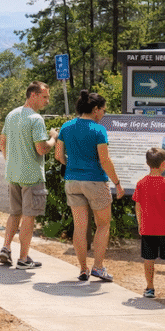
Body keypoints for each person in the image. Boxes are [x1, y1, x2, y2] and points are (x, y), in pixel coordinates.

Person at [54, 90, 123, 281]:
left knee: (80, 227)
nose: (103, 114)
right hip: (95, 181)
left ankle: (83, 269)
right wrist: (117, 183)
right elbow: (105, 160)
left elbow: (58, 156)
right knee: (103, 225)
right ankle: (98, 267)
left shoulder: (66, 127)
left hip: (72, 181)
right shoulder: (98, 130)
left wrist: (74, 167)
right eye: (103, 110)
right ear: (95, 110)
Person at [0, 81, 58, 269]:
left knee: (14, 213)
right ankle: (24, 259)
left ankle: (6, 248)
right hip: (31, 175)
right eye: (44, 97)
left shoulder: (11, 115)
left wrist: (10, 162)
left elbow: (2, 142)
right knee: (29, 217)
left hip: (13, 173)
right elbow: (41, 149)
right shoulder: (36, 119)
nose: (47, 101)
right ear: (33, 95)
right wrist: (53, 138)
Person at [133, 147, 165, 298]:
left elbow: (138, 206)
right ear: (164, 164)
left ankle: (149, 288)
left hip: (148, 228)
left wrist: (140, 224)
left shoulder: (141, 183)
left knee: (149, 258)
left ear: (148, 163)